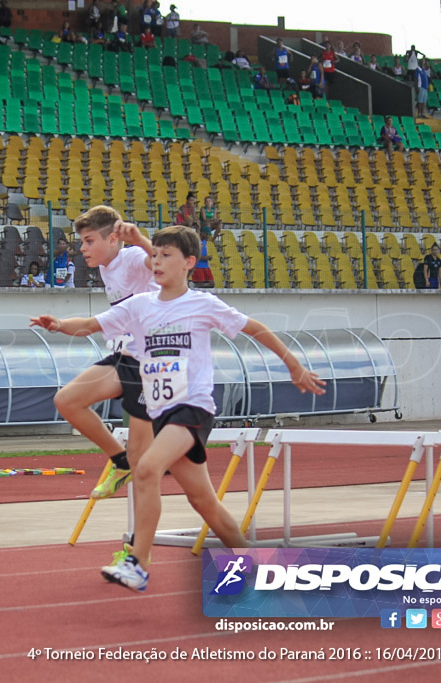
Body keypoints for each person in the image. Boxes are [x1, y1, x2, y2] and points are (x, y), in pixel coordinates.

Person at [31, 226, 325, 591]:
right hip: (161, 413)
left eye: (166, 255)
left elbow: (255, 328)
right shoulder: (139, 306)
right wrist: (59, 324)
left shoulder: (203, 304)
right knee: (204, 501)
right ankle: (256, 564)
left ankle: (137, 562)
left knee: (147, 468)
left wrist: (293, 364)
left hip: (193, 407)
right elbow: (91, 325)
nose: (156, 262)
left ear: (188, 263)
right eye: (154, 255)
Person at [34, 208, 158, 564]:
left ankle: (137, 552)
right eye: (81, 242)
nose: (83, 250)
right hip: (123, 360)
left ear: (113, 238)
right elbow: (97, 323)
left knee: (155, 470)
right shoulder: (107, 267)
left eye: (89, 241)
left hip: (150, 366)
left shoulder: (133, 257)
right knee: (67, 400)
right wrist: (57, 325)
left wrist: (141, 241)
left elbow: (166, 267)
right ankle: (119, 460)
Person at [194, 199, 218, 288]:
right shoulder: (197, 240)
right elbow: (195, 255)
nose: (208, 236)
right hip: (198, 266)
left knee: (211, 284)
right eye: (207, 234)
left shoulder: (204, 241)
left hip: (206, 266)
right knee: (200, 284)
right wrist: (205, 257)